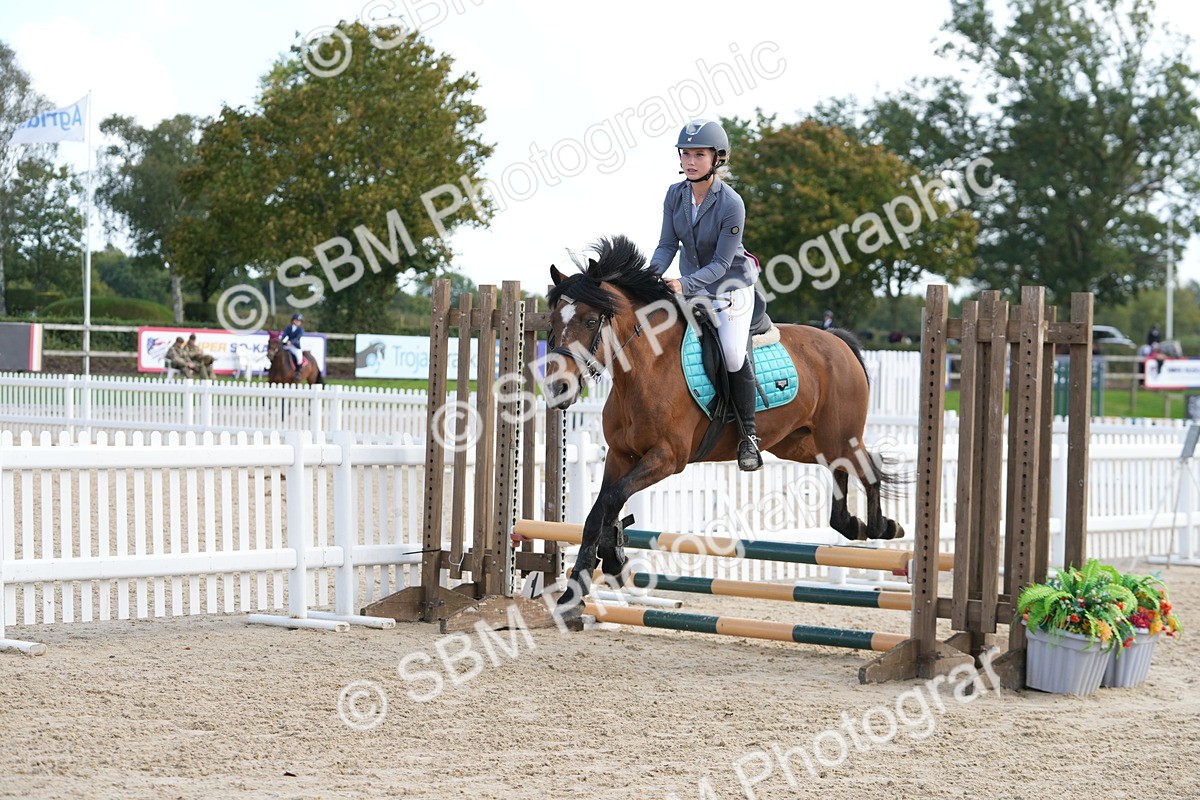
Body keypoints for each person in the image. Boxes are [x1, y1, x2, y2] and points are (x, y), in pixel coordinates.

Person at [649, 118, 762, 471]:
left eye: (699, 154)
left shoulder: (732, 203)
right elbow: (668, 244)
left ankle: (749, 437)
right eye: (686, 154)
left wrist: (682, 284)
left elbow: (720, 263)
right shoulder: (674, 194)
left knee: (730, 353)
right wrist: (648, 277)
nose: (690, 161)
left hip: (731, 288)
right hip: (693, 288)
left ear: (717, 159)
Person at [279, 313, 305, 382]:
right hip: (287, 346)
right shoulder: (289, 328)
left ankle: (298, 372)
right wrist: (282, 340)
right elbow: (284, 335)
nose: (298, 322)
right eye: (296, 320)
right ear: (293, 321)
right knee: (278, 353)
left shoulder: (300, 329)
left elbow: (298, 338)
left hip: (295, 346)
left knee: (299, 357)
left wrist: (291, 342)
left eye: (299, 321)